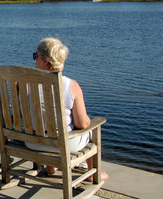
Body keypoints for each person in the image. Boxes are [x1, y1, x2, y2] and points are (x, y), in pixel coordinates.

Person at [27, 37, 108, 181]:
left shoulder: (24, 82)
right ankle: (93, 173)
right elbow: (82, 124)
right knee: (91, 130)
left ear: (45, 62)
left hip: (32, 142)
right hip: (64, 145)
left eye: (36, 56)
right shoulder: (71, 85)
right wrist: (89, 122)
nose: (34, 59)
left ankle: (51, 167)